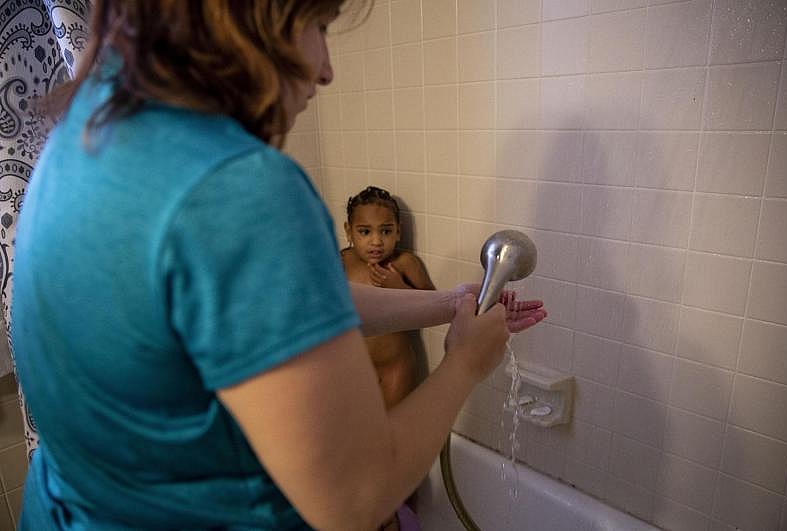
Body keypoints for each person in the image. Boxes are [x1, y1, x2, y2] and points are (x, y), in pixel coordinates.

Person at [11, 1, 548, 530]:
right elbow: (355, 500)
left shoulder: (89, 132)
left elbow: (277, 306)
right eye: (318, 25)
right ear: (252, 16)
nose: (327, 69)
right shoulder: (237, 188)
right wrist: (464, 364)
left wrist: (446, 304)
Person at [341, 186, 434, 530]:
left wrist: (399, 286)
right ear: (349, 232)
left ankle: (401, 516)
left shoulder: (405, 263)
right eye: (364, 232)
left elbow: (432, 309)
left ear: (399, 231)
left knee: (397, 452)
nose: (375, 241)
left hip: (396, 370)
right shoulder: (343, 262)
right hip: (355, 373)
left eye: (385, 231)